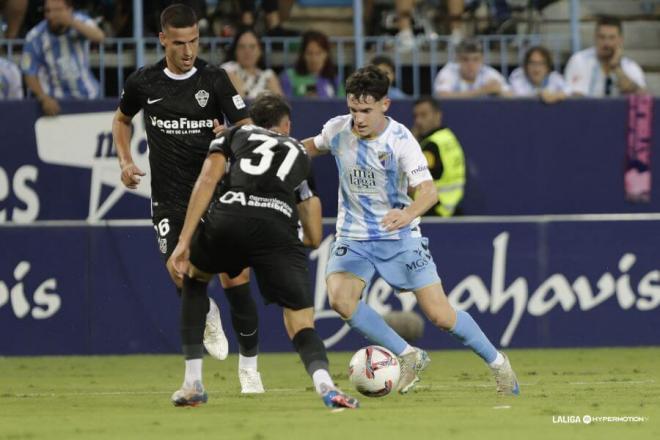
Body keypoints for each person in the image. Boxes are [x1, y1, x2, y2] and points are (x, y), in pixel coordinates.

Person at [302, 66, 520, 396]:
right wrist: (269, 144)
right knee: (341, 300)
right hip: (354, 237)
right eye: (353, 109)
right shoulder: (337, 130)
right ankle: (409, 355)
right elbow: (307, 147)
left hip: (400, 237)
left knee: (441, 315)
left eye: (366, 110)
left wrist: (408, 213)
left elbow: (428, 192)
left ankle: (497, 363)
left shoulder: (402, 140)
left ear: (385, 104)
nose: (358, 118)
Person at [111, 4, 267, 394]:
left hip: (217, 195)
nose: (188, 51)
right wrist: (125, 160)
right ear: (163, 39)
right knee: (180, 271)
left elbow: (247, 129)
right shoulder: (143, 82)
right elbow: (121, 119)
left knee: (236, 278)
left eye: (194, 41)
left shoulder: (215, 79)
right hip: (169, 198)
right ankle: (207, 315)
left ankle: (250, 368)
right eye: (179, 43)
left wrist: (227, 133)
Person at [169, 92, 359, 410]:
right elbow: (313, 227)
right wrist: (295, 239)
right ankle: (326, 386)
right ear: (287, 125)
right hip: (278, 230)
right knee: (300, 321)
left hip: (229, 218)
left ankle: (192, 383)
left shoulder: (234, 134)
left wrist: (184, 240)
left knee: (195, 278)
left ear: (252, 122)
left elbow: (206, 179)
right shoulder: (298, 151)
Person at [20, 0, 104, 116]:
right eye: (48, 10)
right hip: (57, 103)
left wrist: (71, 22)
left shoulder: (81, 21)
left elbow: (99, 37)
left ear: (70, 10)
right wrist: (43, 98)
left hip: (90, 96)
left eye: (57, 10)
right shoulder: (35, 36)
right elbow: (29, 72)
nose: (51, 15)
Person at [564, 15, 646, 97]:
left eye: (611, 38)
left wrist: (616, 68)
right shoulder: (579, 60)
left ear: (620, 40)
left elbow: (642, 96)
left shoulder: (630, 66)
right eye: (602, 37)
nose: (606, 43)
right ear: (595, 37)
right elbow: (573, 97)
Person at [412, 97, 465, 217]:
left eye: (424, 115)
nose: (418, 121)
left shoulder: (431, 145)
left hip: (432, 209)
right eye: (416, 116)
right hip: (451, 207)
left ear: (438, 115)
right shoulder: (448, 136)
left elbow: (415, 181)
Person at [433, 38, 510, 98]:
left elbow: (513, 96)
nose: (470, 64)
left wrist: (500, 91)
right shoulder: (449, 71)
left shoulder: (489, 73)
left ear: (482, 59)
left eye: (475, 59)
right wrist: (482, 91)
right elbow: (442, 96)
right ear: (457, 59)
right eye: (465, 59)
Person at [221, 27, 283, 98]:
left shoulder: (268, 75)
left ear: (260, 51)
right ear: (235, 51)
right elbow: (240, 103)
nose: (247, 51)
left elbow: (281, 105)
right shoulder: (228, 70)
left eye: (252, 47)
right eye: (242, 47)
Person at [279, 30, 343, 98]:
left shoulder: (335, 80)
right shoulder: (288, 77)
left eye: (318, 53)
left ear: (326, 54)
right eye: (309, 53)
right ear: (303, 55)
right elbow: (285, 105)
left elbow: (343, 106)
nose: (314, 59)